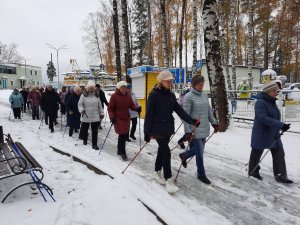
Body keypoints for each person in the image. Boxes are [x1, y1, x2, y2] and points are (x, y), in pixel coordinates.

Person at [144, 70, 200, 194]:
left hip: (168, 128)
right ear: (161, 81)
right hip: (157, 129)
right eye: (168, 81)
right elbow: (149, 115)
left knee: (162, 150)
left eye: (170, 81)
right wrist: (146, 132)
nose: (170, 83)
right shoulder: (153, 95)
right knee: (166, 152)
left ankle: (156, 172)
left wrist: (192, 121)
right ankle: (168, 179)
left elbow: (179, 110)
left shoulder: (170, 96)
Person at [248, 82, 293, 183]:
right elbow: (263, 118)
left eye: (276, 91)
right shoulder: (260, 102)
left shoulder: (271, 101)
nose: (276, 93)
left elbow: (274, 116)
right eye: (274, 91)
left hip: (273, 133)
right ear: (268, 91)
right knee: (256, 153)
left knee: (279, 153)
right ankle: (253, 171)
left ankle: (280, 175)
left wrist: (281, 126)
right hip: (262, 133)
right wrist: (280, 125)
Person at [178, 75, 219, 185]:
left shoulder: (204, 96)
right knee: (200, 153)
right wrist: (187, 132)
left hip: (204, 128)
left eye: (202, 84)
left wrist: (214, 123)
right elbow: (185, 116)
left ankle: (184, 155)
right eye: (199, 84)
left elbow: (209, 111)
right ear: (194, 85)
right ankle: (201, 174)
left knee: (198, 151)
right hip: (194, 130)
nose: (202, 86)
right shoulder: (189, 97)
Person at [108, 81, 141, 161]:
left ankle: (119, 150)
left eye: (125, 87)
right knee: (123, 135)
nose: (124, 89)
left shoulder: (128, 96)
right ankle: (123, 152)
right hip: (118, 118)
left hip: (126, 118)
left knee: (123, 135)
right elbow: (110, 108)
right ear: (118, 88)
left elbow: (132, 105)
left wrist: (137, 108)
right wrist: (112, 117)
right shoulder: (114, 96)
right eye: (122, 87)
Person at [78, 80, 104, 150]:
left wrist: (101, 113)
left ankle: (94, 144)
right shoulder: (83, 95)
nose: (91, 89)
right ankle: (85, 140)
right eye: (90, 87)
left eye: (92, 87)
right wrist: (81, 110)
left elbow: (100, 106)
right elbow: (80, 104)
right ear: (87, 88)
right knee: (85, 129)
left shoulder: (97, 95)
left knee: (95, 131)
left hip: (95, 115)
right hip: (86, 115)